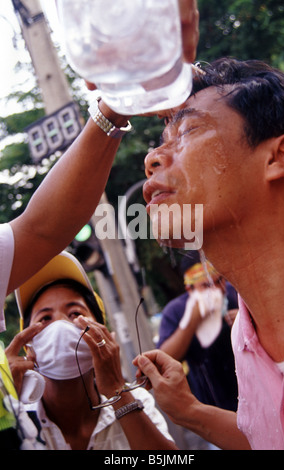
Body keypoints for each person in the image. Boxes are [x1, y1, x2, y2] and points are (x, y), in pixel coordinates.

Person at [0, 0, 200, 448]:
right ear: (24, 346)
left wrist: (117, 101)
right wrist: (13, 406)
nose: (61, 329)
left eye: (76, 315)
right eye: (44, 318)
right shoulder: (20, 417)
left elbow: (43, 229)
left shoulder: (131, 403)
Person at [133, 58, 284, 450]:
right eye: (162, 140)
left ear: (280, 157)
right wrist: (189, 411)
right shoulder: (245, 333)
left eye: (187, 131)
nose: (152, 157)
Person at [5, 251, 176, 450]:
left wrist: (118, 393)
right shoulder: (15, 413)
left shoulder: (137, 401)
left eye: (75, 313)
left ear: (103, 336)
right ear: (28, 345)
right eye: (45, 318)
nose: (60, 324)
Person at [158, 251, 238, 411]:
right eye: (206, 285)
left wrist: (245, 321)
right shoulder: (176, 311)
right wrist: (191, 321)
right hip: (215, 405)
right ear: (190, 290)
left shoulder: (235, 292)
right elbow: (164, 359)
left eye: (219, 281)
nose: (216, 289)